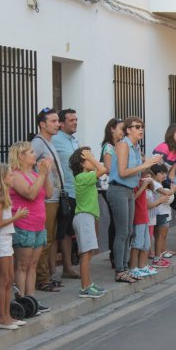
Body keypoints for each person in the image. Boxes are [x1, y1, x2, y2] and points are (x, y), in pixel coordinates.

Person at [107, 117, 161, 283]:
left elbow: (136, 171)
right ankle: (120, 270)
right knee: (123, 232)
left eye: (142, 127)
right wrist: (145, 165)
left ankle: (126, 268)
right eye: (137, 127)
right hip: (118, 189)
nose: (140, 130)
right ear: (128, 129)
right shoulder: (123, 145)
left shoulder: (136, 147)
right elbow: (122, 172)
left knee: (129, 231)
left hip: (130, 190)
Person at [8, 141, 53, 313]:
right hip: (24, 226)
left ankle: (31, 300)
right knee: (22, 265)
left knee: (33, 265)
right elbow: (30, 193)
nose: (35, 155)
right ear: (21, 156)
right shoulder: (16, 174)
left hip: (38, 225)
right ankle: (21, 300)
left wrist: (45, 174)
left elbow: (48, 194)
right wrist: (41, 174)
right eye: (31, 152)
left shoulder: (35, 174)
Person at [0, 164, 29, 329]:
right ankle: (2, 317)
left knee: (9, 278)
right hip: (0, 239)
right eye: (10, 175)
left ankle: (8, 315)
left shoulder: (3, 196)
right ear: (2, 178)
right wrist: (16, 217)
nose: (13, 178)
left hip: (6, 239)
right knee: (4, 279)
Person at [31, 107, 64, 293]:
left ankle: (47, 276)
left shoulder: (47, 142)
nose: (57, 124)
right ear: (42, 124)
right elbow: (27, 165)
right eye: (52, 121)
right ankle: (42, 279)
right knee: (45, 240)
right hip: (45, 199)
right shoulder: (37, 143)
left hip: (54, 197)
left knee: (50, 240)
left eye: (57, 120)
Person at [69, 147, 107, 298]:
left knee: (88, 252)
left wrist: (90, 158)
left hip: (87, 217)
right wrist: (92, 159)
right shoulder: (81, 177)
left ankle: (89, 284)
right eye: (88, 157)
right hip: (84, 217)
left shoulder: (88, 175)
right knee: (85, 254)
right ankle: (85, 287)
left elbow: (102, 169)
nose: (92, 159)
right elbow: (103, 169)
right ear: (82, 163)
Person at [51, 108, 80, 280]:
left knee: (69, 231)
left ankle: (68, 267)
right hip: (62, 192)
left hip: (76, 191)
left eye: (76, 119)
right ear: (61, 124)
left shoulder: (74, 141)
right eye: (71, 120)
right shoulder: (55, 140)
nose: (75, 122)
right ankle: (53, 271)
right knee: (59, 232)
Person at [152, 124, 176, 255]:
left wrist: (173, 186)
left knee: (165, 221)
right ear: (171, 134)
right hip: (156, 186)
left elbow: (171, 173)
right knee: (160, 221)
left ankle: (163, 249)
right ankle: (157, 252)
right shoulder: (163, 147)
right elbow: (154, 169)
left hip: (164, 185)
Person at [100, 118, 124, 268]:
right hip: (111, 186)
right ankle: (114, 255)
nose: (123, 132)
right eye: (121, 128)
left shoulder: (120, 146)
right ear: (112, 129)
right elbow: (108, 168)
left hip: (119, 185)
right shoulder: (108, 147)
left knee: (120, 221)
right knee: (116, 221)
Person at [129, 172, 158, 279]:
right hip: (138, 217)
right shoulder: (135, 184)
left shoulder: (146, 188)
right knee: (137, 243)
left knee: (146, 244)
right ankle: (132, 268)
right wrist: (144, 185)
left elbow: (153, 189)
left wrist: (150, 183)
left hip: (145, 217)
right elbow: (134, 197)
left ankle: (142, 266)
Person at [148, 163, 176, 263]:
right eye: (161, 173)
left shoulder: (157, 183)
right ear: (154, 174)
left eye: (165, 173)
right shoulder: (155, 183)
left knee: (158, 236)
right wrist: (174, 188)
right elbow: (167, 193)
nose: (164, 175)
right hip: (159, 213)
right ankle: (157, 257)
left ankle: (158, 256)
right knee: (159, 236)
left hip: (157, 213)